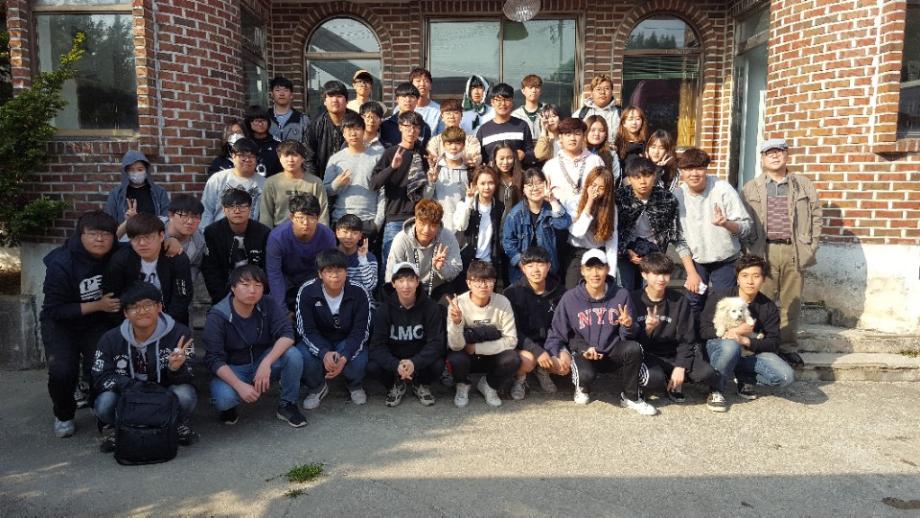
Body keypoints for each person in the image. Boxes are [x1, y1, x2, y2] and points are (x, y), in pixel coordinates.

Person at [543, 249, 656, 415]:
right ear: (582, 271)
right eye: (589, 268)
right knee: (585, 375)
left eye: (599, 268)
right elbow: (557, 333)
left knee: (634, 348)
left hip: (612, 350)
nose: (594, 273)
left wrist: (628, 325)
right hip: (585, 352)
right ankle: (582, 387)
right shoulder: (570, 298)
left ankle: (631, 397)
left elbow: (630, 337)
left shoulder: (621, 295)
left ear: (607, 269)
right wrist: (561, 353)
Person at [740, 138, 822, 368]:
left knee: (791, 303)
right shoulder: (751, 188)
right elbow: (743, 220)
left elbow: (816, 217)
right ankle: (757, 345)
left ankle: (787, 347)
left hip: (793, 250)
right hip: (763, 251)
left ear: (786, 155)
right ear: (763, 159)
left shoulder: (803, 185)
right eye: (769, 153)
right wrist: (749, 251)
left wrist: (811, 246)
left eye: (779, 151)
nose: (775, 156)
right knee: (759, 301)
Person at [41, 211, 121, 438]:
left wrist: (172, 242)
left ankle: (100, 407)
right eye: (93, 234)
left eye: (106, 234)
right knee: (62, 371)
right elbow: (54, 309)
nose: (99, 239)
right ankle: (64, 414)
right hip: (61, 323)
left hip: (96, 322)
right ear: (80, 235)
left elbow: (142, 242)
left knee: (99, 367)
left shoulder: (117, 253)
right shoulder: (61, 262)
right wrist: (98, 305)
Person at [92, 282, 199, 451]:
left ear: (159, 307)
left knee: (185, 394)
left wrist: (175, 369)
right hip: (128, 394)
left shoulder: (179, 334)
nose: (142, 311)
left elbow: (191, 376)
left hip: (164, 393)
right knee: (104, 403)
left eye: (148, 305)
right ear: (125, 313)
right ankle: (118, 428)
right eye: (134, 307)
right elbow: (100, 377)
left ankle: (174, 424)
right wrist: (134, 387)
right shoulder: (110, 339)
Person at [204, 265, 306, 427]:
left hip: (261, 359)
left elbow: (287, 334)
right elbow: (213, 359)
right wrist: (238, 385)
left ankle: (288, 404)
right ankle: (230, 407)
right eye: (245, 285)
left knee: (293, 354)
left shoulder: (268, 303)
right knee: (224, 399)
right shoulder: (218, 315)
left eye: (258, 285)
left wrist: (266, 363)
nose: (252, 290)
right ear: (233, 288)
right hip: (234, 368)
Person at [700, 254, 795, 409]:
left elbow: (773, 342)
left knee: (786, 377)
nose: (750, 281)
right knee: (731, 347)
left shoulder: (768, 307)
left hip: (748, 352)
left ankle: (744, 376)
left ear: (763, 279)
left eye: (756, 276)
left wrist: (745, 340)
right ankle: (716, 389)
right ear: (737, 278)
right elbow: (703, 330)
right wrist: (733, 332)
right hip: (720, 348)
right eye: (745, 276)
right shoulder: (721, 297)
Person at [630, 253, 722, 410]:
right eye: (656, 274)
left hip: (673, 353)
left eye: (665, 274)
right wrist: (648, 330)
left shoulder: (679, 300)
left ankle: (675, 377)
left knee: (706, 374)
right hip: (647, 354)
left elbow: (687, 338)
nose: (661, 279)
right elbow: (630, 343)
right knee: (654, 379)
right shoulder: (633, 299)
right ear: (644, 274)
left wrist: (680, 366)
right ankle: (660, 380)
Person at [673, 147, 752, 316]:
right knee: (693, 302)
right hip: (696, 261)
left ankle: (722, 334)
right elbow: (679, 238)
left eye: (699, 168)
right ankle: (695, 334)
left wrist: (727, 224)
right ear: (681, 172)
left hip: (726, 260)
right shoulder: (677, 196)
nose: (694, 174)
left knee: (726, 304)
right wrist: (691, 273)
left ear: (706, 169)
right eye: (688, 169)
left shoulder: (722, 189)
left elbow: (746, 226)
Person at [295, 249, 372, 408]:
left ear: (346, 272)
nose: (335, 275)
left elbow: (361, 331)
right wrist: (324, 353)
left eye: (339, 270)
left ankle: (354, 385)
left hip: (346, 338)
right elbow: (306, 329)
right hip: (320, 338)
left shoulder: (359, 291)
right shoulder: (307, 291)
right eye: (329, 271)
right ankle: (317, 387)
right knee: (303, 355)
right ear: (320, 274)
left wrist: (344, 357)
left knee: (359, 360)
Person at [367, 262, 445, 407]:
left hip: (419, 358)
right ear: (393, 283)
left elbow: (436, 343)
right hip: (395, 357)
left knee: (438, 365)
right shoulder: (384, 310)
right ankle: (395, 384)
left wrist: (414, 363)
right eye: (401, 280)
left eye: (410, 280)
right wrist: (395, 365)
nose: (406, 285)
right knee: (372, 366)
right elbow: (377, 346)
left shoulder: (431, 307)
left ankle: (421, 383)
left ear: (417, 282)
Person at [446, 260, 520, 407]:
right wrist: (457, 322)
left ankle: (489, 385)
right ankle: (462, 385)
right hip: (466, 355)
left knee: (513, 358)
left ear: (494, 282)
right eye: (478, 281)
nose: (484, 285)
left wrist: (477, 348)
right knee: (456, 359)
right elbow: (455, 346)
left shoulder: (503, 302)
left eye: (489, 281)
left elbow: (511, 340)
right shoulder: (458, 303)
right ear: (468, 283)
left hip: (490, 353)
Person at [616, 157, 692, 291]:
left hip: (655, 254)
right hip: (624, 252)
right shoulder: (620, 198)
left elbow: (676, 235)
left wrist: (691, 272)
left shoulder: (666, 199)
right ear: (629, 179)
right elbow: (610, 231)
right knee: (626, 291)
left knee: (652, 292)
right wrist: (625, 251)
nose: (642, 181)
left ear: (655, 176)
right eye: (637, 177)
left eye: (647, 176)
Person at [502, 246, 568, 397]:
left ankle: (542, 371)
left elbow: (560, 327)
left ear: (549, 266)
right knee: (528, 360)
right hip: (524, 345)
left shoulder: (561, 292)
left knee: (563, 365)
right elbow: (513, 331)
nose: (536, 270)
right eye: (530, 265)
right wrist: (537, 351)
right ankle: (520, 378)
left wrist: (551, 350)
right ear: (523, 268)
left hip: (550, 342)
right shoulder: (511, 293)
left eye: (540, 264)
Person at [103, 213, 192, 325]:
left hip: (170, 321)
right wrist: (129, 326)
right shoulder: (121, 259)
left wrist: (166, 325)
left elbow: (181, 298)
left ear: (161, 236)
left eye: (148, 237)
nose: (142, 243)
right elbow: (113, 299)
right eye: (136, 238)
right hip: (130, 322)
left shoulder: (176, 257)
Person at [372, 110, 431, 276]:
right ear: (400, 127)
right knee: (390, 266)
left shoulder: (424, 154)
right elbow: (375, 184)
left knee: (415, 267)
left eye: (416, 127)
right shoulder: (391, 153)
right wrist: (392, 168)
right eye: (407, 126)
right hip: (395, 217)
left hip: (418, 219)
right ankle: (387, 293)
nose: (412, 131)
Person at [265, 193, 336, 310]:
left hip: (313, 278)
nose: (306, 222)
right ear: (292, 217)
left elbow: (329, 270)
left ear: (318, 217)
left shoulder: (327, 236)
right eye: (300, 217)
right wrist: (282, 309)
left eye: (311, 217)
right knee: (273, 303)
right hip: (285, 278)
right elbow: (274, 273)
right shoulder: (277, 237)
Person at [201, 189, 271, 304]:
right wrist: (222, 299)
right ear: (224, 209)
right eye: (231, 206)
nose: (237, 211)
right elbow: (211, 270)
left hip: (256, 291)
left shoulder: (263, 232)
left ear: (250, 209)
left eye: (242, 206)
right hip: (224, 291)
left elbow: (267, 268)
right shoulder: (212, 232)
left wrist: (260, 294)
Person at [502, 168, 571, 284]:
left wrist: (552, 200)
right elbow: (508, 242)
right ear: (523, 189)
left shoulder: (553, 206)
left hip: (549, 270)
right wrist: (522, 264)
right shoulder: (515, 214)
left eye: (539, 183)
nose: (534, 188)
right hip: (522, 273)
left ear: (546, 185)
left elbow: (563, 224)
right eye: (530, 185)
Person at [385, 199, 462, 302]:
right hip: (409, 288)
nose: (426, 230)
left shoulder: (448, 237)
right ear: (415, 220)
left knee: (448, 300)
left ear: (439, 224)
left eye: (433, 225)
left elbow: (455, 270)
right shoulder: (401, 239)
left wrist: (441, 268)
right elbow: (391, 273)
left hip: (437, 287)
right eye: (422, 223)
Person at [324, 112, 385, 237]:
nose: (353, 134)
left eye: (357, 129)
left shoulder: (378, 156)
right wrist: (336, 184)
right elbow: (325, 191)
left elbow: (383, 191)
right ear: (343, 133)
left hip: (368, 220)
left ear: (364, 130)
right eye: (348, 130)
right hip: (341, 219)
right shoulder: (336, 159)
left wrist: (377, 223)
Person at [563, 167, 618, 289]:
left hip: (599, 253)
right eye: (593, 185)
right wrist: (589, 202)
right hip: (577, 253)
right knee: (572, 291)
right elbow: (577, 232)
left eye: (601, 188)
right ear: (587, 184)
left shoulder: (611, 208)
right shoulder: (573, 202)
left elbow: (612, 240)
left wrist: (611, 273)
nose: (596, 190)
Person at [454, 166, 504, 290]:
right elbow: (460, 226)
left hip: (489, 263)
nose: (487, 187)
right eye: (482, 183)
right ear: (476, 185)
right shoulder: (465, 202)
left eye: (491, 183)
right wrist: (468, 202)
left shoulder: (499, 207)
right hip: (468, 262)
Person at [259, 139, 329, 228]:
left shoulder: (315, 183)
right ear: (280, 158)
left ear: (303, 158)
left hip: (309, 230)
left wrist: (322, 233)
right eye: (286, 155)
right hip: (280, 231)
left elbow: (323, 215)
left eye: (295, 155)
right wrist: (268, 235)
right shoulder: (271, 183)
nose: (290, 160)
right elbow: (266, 215)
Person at [201, 137, 265, 228]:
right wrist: (206, 233)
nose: (247, 159)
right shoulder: (218, 179)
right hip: (219, 232)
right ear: (233, 156)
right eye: (242, 155)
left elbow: (265, 216)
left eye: (252, 156)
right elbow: (206, 210)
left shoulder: (264, 183)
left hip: (251, 233)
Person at [104, 150, 170, 240]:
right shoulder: (116, 194)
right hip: (125, 241)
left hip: (154, 239)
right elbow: (109, 222)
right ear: (126, 172)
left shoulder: (159, 192)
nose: (136, 173)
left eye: (140, 169)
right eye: (131, 170)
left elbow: (167, 219)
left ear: (146, 170)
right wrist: (128, 221)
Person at [542, 117, 608, 207]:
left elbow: (605, 191)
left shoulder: (596, 161)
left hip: (590, 212)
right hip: (559, 213)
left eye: (577, 134)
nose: (572, 138)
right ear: (560, 137)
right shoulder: (550, 166)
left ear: (584, 136)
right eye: (568, 134)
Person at [305, 80, 355, 181]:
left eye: (339, 96)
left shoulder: (357, 123)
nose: (335, 100)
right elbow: (308, 159)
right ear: (324, 101)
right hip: (323, 181)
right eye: (331, 96)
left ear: (347, 101)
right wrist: (317, 183)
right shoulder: (315, 125)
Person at [476, 82, 535, 166]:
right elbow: (479, 159)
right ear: (492, 102)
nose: (503, 104)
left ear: (512, 102)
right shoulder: (484, 130)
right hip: (493, 173)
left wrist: (524, 155)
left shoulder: (522, 125)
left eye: (507, 99)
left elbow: (531, 154)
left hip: (517, 173)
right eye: (498, 100)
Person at [423, 125, 469, 232]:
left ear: (463, 145)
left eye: (458, 143)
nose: (453, 147)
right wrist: (431, 182)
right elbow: (425, 198)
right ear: (444, 145)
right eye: (449, 143)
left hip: (463, 229)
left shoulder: (469, 170)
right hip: (439, 227)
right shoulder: (435, 169)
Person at [334, 214, 379, 306]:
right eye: (345, 232)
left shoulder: (369, 258)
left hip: (363, 303)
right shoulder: (330, 256)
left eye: (354, 233)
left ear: (360, 236)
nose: (349, 236)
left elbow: (370, 286)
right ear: (337, 232)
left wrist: (362, 259)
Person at [427, 98, 482, 167]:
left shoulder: (471, 140)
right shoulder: (435, 141)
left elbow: (475, 157)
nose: (452, 116)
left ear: (461, 116)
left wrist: (474, 159)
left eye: (456, 113)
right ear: (442, 117)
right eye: (448, 113)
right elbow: (432, 159)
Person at [164, 194, 206, 283]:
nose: (190, 221)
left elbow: (195, 267)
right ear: (171, 215)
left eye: (195, 216)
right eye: (184, 215)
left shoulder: (200, 242)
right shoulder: (153, 228)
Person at [380, 82, 433, 149]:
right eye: (404, 96)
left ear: (417, 100)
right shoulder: (385, 125)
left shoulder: (424, 127)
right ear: (397, 99)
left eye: (412, 97)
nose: (408, 100)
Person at [576, 74, 620, 147]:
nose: (602, 92)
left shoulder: (620, 114)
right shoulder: (580, 114)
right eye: (598, 89)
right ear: (592, 92)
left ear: (612, 92)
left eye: (606, 88)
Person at [268, 76, 310, 144]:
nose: (282, 94)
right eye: (277, 90)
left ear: (291, 95)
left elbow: (308, 146)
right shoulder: (265, 118)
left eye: (286, 90)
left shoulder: (302, 120)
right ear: (272, 94)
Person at [243, 105, 282, 178]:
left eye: (263, 120)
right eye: (256, 121)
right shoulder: (245, 144)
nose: (260, 124)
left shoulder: (277, 144)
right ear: (249, 123)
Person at [490, 141, 524, 223]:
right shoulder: (490, 178)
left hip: (518, 225)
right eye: (501, 158)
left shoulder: (523, 177)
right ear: (495, 159)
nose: (505, 162)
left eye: (509, 158)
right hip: (495, 226)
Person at [410, 67, 444, 136]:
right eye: (418, 81)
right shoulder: (402, 108)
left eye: (426, 81)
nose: (422, 84)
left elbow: (441, 137)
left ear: (430, 86)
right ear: (411, 85)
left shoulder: (438, 110)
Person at [613, 105, 648, 173]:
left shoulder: (647, 144)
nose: (634, 123)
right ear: (624, 123)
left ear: (642, 122)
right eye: (630, 119)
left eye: (638, 119)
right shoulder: (617, 144)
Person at [511, 74, 544, 140]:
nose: (534, 91)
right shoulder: (515, 115)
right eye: (530, 87)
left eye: (537, 87)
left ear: (540, 90)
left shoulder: (547, 111)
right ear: (523, 91)